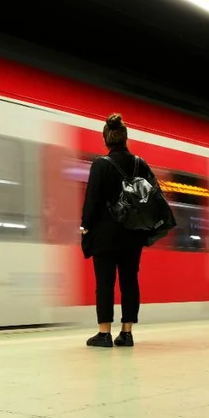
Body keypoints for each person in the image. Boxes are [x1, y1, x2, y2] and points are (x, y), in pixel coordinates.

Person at [81, 114, 155, 348]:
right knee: (129, 281)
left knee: (104, 282)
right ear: (125, 139)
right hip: (133, 233)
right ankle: (127, 333)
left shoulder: (100, 164)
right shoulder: (140, 164)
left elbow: (92, 200)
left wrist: (86, 226)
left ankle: (104, 334)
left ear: (107, 140)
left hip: (105, 234)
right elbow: (153, 197)